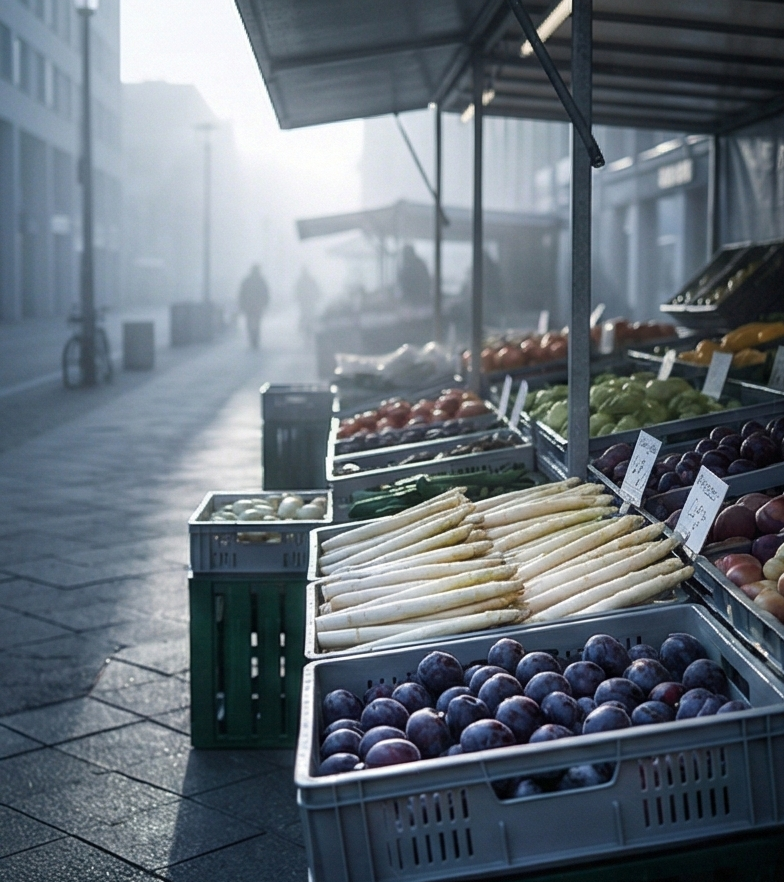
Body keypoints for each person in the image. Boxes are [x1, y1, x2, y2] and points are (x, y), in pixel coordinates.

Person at [238, 264, 270, 349]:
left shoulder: (247, 281)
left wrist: (241, 304)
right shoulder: (261, 281)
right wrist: (265, 303)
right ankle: (255, 339)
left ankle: (252, 338)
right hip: (258, 306)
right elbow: (266, 293)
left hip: (248, 305)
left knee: (249, 322)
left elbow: (242, 294)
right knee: (257, 322)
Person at [294, 265, 321, 336]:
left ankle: (305, 327)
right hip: (308, 301)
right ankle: (307, 327)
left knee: (306, 314)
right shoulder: (309, 280)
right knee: (308, 314)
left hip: (307, 301)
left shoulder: (302, 280)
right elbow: (316, 289)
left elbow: (297, 291)